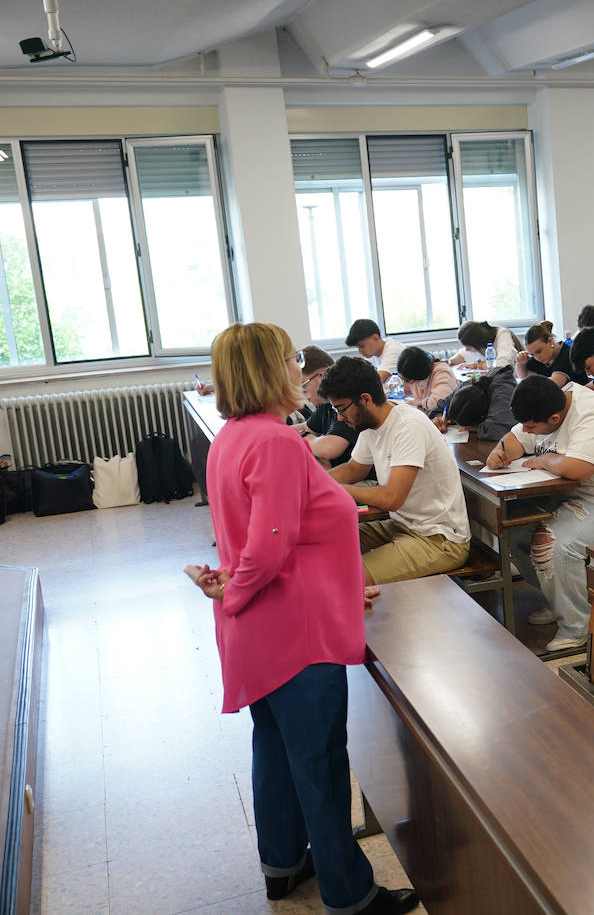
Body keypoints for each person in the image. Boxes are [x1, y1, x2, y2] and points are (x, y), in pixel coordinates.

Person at [186, 322, 419, 915]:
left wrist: (238, 588)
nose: (300, 368)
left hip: (268, 622)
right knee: (319, 763)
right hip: (292, 629)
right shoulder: (276, 442)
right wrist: (233, 591)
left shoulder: (233, 436)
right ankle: (351, 894)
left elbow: (268, 536)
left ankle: (282, 862)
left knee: (275, 747)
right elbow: (269, 544)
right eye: (291, 358)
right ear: (269, 370)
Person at [489, 375, 594, 652]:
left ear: (554, 419)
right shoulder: (549, 404)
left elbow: (577, 469)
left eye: (533, 426)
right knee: (514, 529)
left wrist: (544, 459)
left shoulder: (592, 416)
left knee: (552, 542)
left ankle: (577, 627)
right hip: (577, 496)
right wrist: (501, 450)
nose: (528, 430)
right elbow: (517, 437)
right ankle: (558, 603)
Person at [321, 357, 471, 584]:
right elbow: (354, 469)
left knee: (347, 579)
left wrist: (338, 490)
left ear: (365, 399)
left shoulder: (408, 426)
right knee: (320, 541)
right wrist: (314, 483)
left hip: (439, 539)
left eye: (341, 409)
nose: (340, 418)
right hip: (402, 526)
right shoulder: (371, 425)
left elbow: (392, 498)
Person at [295, 346, 359, 468]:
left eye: (304, 387)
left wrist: (303, 438)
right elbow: (305, 426)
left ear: (321, 376)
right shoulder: (324, 404)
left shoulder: (345, 402)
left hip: (362, 480)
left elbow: (329, 449)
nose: (303, 396)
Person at [431, 365, 517, 440]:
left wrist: (476, 428)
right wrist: (440, 417)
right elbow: (440, 406)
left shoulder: (501, 396)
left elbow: (502, 430)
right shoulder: (466, 386)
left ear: (481, 416)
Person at [516, 321, 586, 387]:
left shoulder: (567, 355)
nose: (537, 358)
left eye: (539, 351)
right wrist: (520, 362)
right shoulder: (541, 357)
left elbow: (552, 386)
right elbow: (524, 375)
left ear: (550, 341)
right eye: (532, 354)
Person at [395, 346, 457, 414]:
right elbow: (402, 391)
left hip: (444, 418)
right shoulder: (414, 375)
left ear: (418, 374)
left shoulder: (441, 372)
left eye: (407, 380)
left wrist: (419, 402)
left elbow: (439, 402)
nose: (404, 382)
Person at [345, 318, 402, 382]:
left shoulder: (393, 351)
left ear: (376, 337)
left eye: (362, 346)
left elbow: (376, 382)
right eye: (357, 347)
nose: (360, 351)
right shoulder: (372, 354)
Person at [451, 320, 523, 369]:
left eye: (468, 346)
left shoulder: (502, 335)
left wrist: (477, 365)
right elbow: (463, 354)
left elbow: (503, 363)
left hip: (514, 375)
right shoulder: (482, 342)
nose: (467, 349)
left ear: (477, 342)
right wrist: (449, 362)